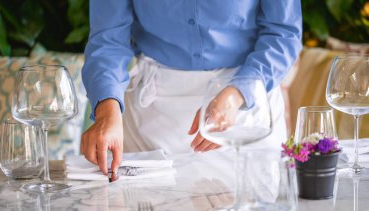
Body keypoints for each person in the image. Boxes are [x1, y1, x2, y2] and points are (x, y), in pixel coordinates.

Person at [80, 0, 303, 175]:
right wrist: (107, 111)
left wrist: (237, 95)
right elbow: (108, 41)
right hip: (153, 112)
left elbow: (283, 34)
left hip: (245, 104)